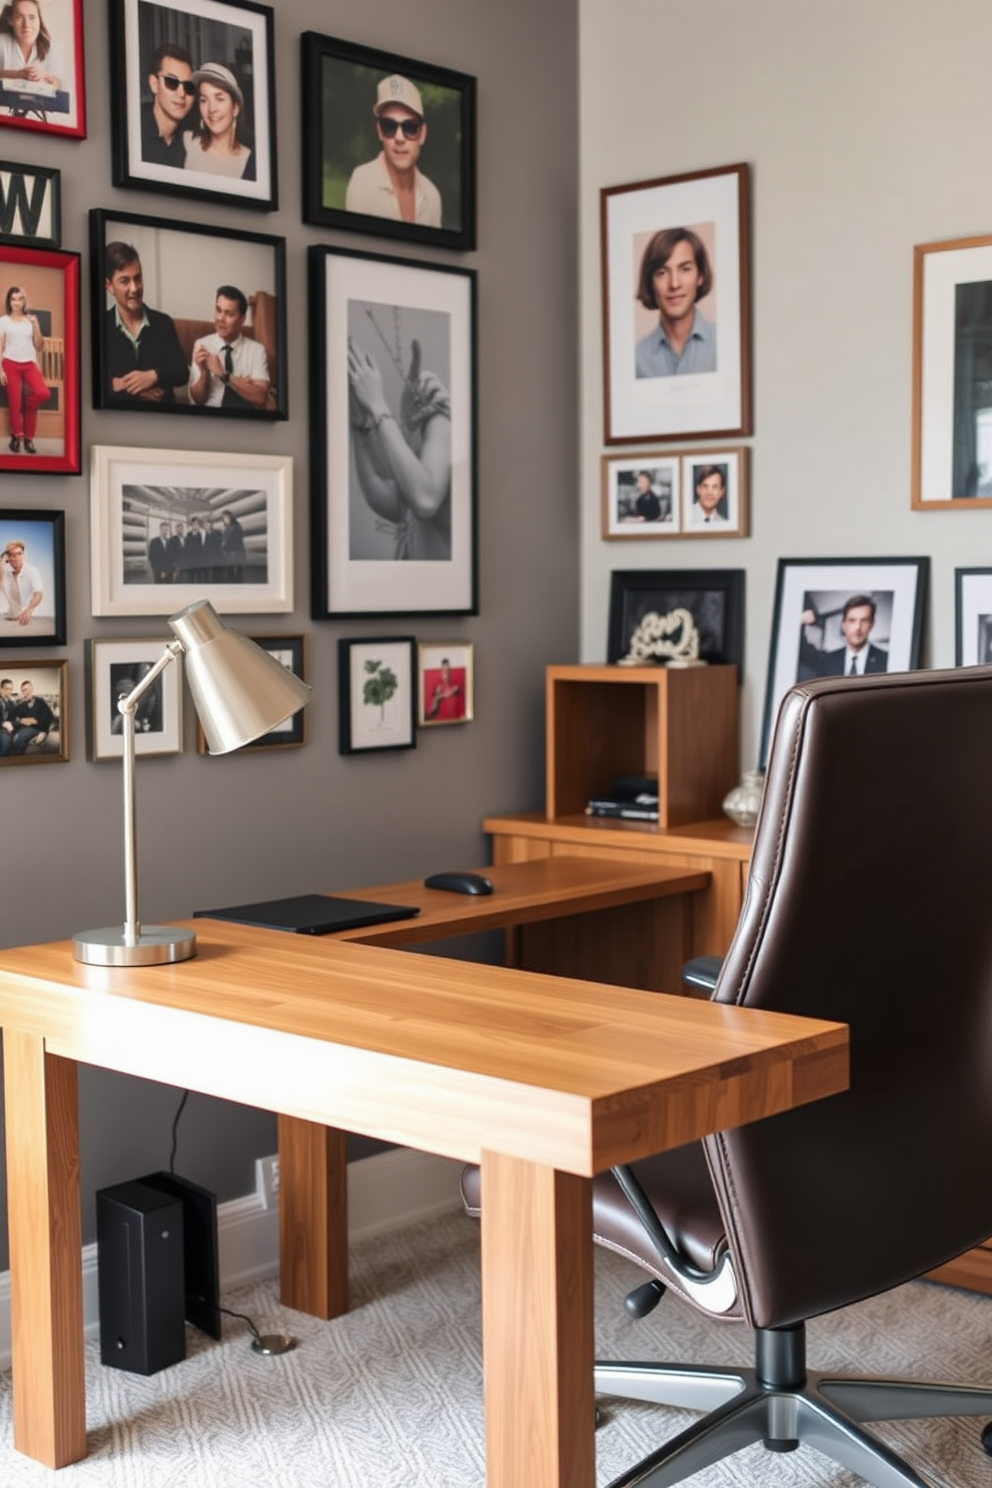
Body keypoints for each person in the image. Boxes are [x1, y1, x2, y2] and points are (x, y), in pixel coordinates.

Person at [348, 332, 452, 561]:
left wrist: (377, 405)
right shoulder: (428, 436)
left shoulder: (443, 421)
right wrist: (361, 423)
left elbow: (425, 500)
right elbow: (388, 502)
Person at [345, 74, 441, 228]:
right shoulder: (362, 182)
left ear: (423, 134)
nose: (399, 137)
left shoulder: (432, 196)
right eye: (389, 126)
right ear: (380, 132)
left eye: (410, 127)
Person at [103, 241, 188, 406]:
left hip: (162, 420)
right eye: (124, 281)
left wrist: (152, 376)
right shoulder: (100, 328)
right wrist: (127, 387)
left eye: (138, 278)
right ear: (109, 286)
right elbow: (91, 381)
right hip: (118, 421)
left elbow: (182, 373)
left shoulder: (164, 323)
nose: (135, 288)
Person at [635, 227, 717, 378]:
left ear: (700, 276)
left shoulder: (723, 343)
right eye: (662, 273)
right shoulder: (637, 358)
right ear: (650, 282)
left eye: (685, 269)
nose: (674, 284)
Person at [188, 286, 270, 410]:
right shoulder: (202, 344)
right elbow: (198, 400)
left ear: (242, 319)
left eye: (229, 314)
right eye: (218, 310)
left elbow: (260, 397)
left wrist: (224, 375)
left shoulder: (257, 351)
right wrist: (204, 373)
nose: (220, 318)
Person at [183, 62, 254, 181]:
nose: (211, 109)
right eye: (204, 100)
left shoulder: (250, 160)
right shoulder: (187, 142)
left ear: (235, 108)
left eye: (220, 99)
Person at [0, 284, 48, 453]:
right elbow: (0, 346)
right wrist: (0, 370)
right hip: (10, 363)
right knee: (14, 403)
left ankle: (28, 436)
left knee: (42, 393)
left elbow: (40, 345)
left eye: (20, 299)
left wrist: (35, 325)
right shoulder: (3, 321)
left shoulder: (31, 320)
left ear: (24, 301)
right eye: (13, 299)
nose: (17, 302)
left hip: (29, 364)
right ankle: (17, 437)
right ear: (9, 301)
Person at [802, 594, 889, 677]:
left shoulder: (886, 661)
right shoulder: (826, 661)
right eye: (852, 620)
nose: (858, 627)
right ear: (844, 625)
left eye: (864, 620)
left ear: (872, 624)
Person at [141, 41, 195, 168]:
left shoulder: (189, 143)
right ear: (154, 84)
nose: (182, 93)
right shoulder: (133, 129)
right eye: (172, 82)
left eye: (188, 86)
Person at [0, 0, 62, 96]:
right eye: (19, 17)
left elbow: (59, 84)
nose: (26, 25)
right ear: (10, 20)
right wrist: (18, 75)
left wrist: (44, 76)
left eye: (32, 17)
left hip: (39, 108)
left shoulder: (49, 47)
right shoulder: (2, 43)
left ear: (39, 20)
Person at [0, 538, 42, 625]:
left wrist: (29, 609)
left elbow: (38, 594)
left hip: (30, 618)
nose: (17, 557)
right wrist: (1, 563)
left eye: (19, 554)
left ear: (23, 555)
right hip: (12, 617)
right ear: (8, 557)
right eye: (13, 554)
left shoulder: (32, 571)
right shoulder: (5, 572)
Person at [10, 676, 52, 753]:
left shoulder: (40, 702)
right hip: (22, 728)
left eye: (26, 690)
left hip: (36, 728)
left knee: (20, 736)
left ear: (32, 689)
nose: (25, 693)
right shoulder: (21, 704)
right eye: (23, 691)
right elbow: (12, 716)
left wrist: (43, 731)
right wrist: (20, 720)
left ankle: (15, 758)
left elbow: (49, 717)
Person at [220, 508, 245, 582]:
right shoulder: (227, 528)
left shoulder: (236, 527)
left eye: (226, 517)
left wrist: (223, 545)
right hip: (229, 556)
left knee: (235, 576)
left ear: (230, 517)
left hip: (235, 555)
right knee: (230, 576)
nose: (224, 520)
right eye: (223, 518)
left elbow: (232, 541)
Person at [0, 675, 17, 756]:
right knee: (6, 740)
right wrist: (3, 723)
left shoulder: (11, 703)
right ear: (1, 689)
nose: (9, 691)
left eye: (11, 689)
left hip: (9, 728)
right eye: (7, 689)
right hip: (1, 729)